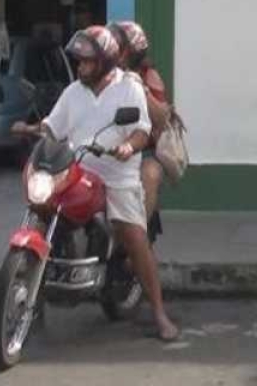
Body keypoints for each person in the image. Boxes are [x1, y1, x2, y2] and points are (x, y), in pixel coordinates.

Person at [12, 26, 178, 342]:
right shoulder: (74, 91)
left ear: (104, 62)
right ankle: (32, 308)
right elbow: (53, 126)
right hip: (77, 169)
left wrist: (129, 146)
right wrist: (32, 128)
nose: (81, 67)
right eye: (80, 61)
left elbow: (142, 131)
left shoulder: (129, 87)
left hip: (117, 175)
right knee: (42, 211)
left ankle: (159, 313)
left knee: (133, 234)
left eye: (87, 62)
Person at [107, 21, 170, 222]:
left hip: (143, 152)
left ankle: (136, 237)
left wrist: (142, 89)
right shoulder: (100, 74)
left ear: (130, 52)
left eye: (117, 47)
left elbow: (162, 119)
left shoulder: (148, 76)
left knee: (150, 176)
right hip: (101, 148)